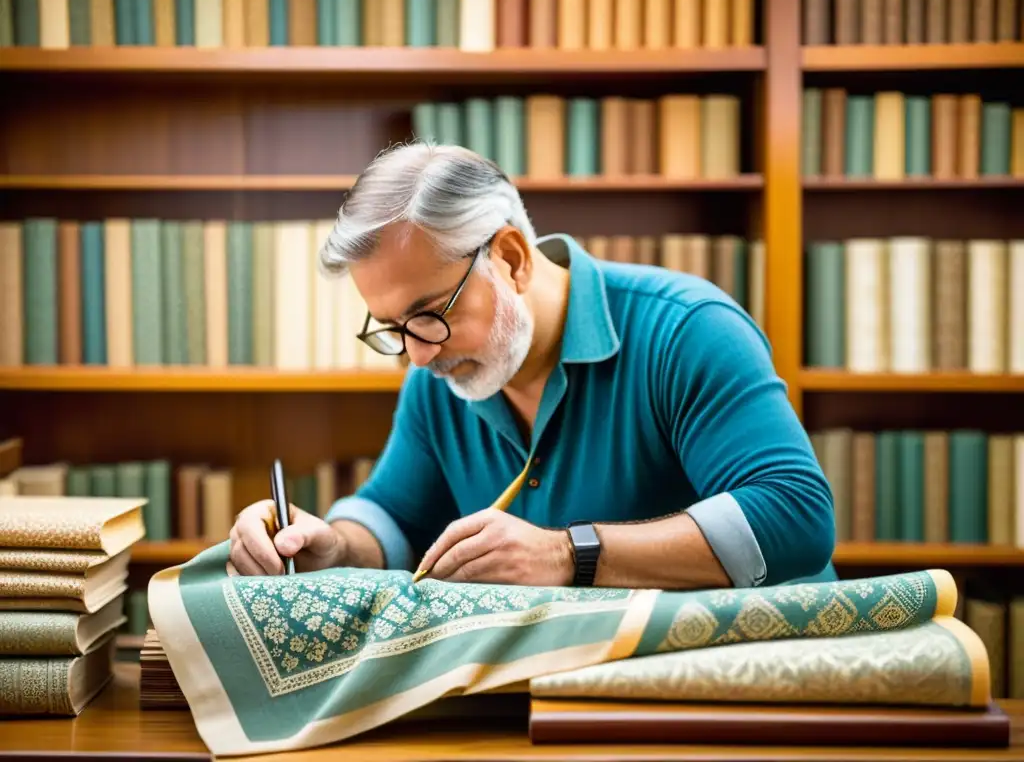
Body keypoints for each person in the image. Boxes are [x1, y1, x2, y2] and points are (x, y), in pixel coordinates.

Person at [228, 142, 837, 590]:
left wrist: (569, 555)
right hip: (567, 687)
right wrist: (332, 547)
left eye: (430, 314)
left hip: (743, 686)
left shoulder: (687, 328)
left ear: (513, 258)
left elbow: (796, 515)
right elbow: (394, 516)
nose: (416, 355)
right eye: (392, 328)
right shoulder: (442, 372)